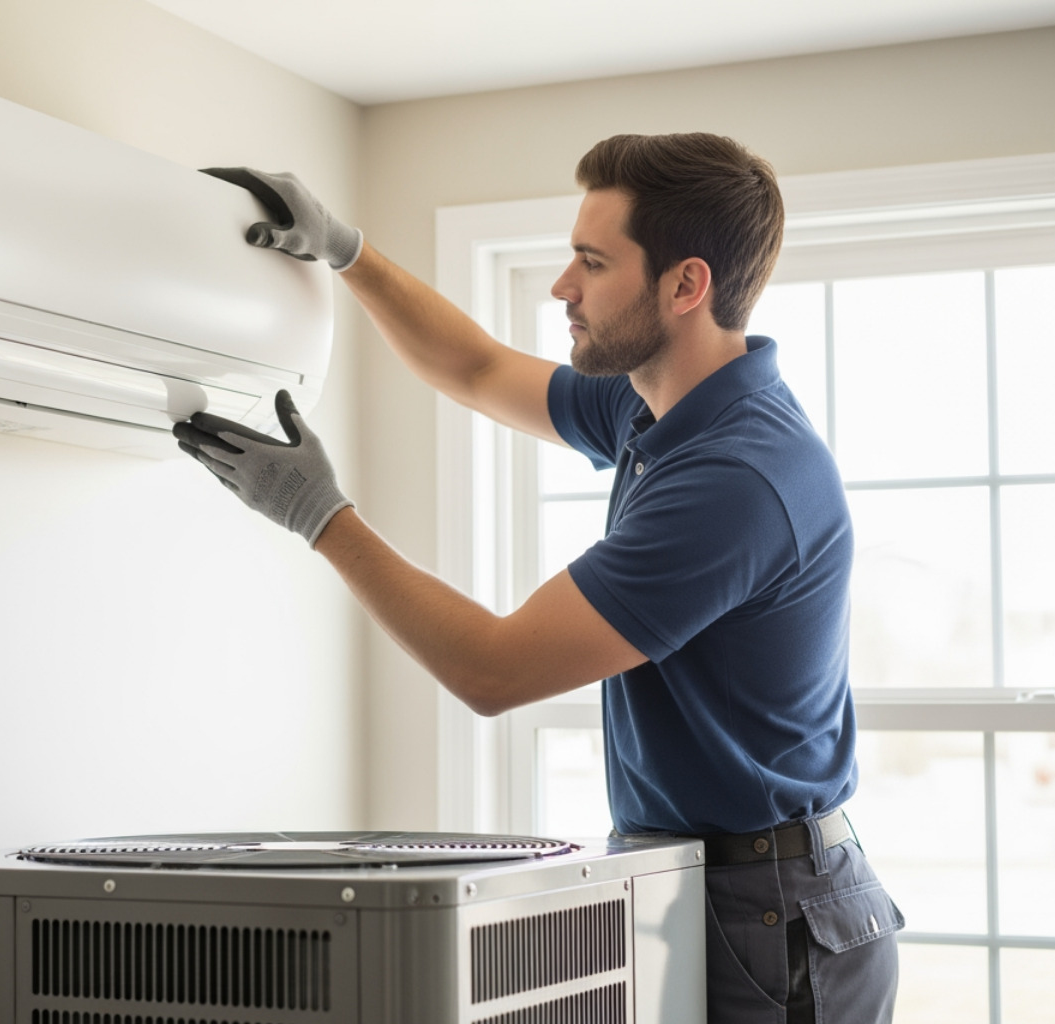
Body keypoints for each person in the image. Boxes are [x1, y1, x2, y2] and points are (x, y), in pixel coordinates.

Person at [175, 134, 903, 1023]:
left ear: (685, 286)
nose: (564, 286)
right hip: (715, 880)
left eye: (592, 263)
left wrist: (318, 514)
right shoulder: (659, 402)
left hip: (769, 908)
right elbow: (476, 369)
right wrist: (346, 250)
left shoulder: (734, 478)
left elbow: (495, 669)